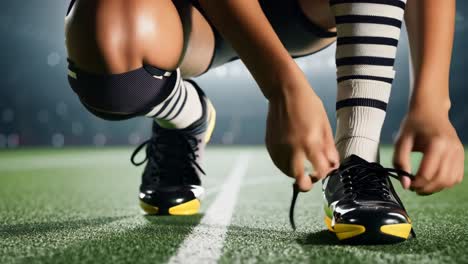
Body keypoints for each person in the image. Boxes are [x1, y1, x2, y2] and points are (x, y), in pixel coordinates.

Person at [64, 0, 464, 243]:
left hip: (299, 6)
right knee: (105, 39)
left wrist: (431, 100)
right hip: (192, 13)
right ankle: (187, 117)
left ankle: (357, 161)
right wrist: (281, 84)